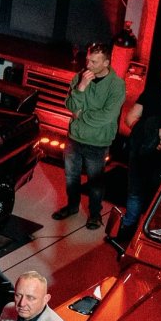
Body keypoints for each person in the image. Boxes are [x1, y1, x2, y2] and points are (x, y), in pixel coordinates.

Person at [54, 41, 126, 230]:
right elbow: (70, 105)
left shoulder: (117, 86)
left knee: (95, 181)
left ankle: (95, 215)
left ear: (106, 63)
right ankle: (72, 207)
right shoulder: (80, 77)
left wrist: (82, 115)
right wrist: (82, 86)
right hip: (74, 137)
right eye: (88, 60)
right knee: (71, 176)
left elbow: (106, 116)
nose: (89, 65)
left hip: (97, 142)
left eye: (94, 62)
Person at [118, 57, 161, 241]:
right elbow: (129, 118)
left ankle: (149, 239)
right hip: (140, 156)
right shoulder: (151, 92)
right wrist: (149, 136)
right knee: (134, 195)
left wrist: (150, 134)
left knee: (156, 202)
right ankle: (126, 234)